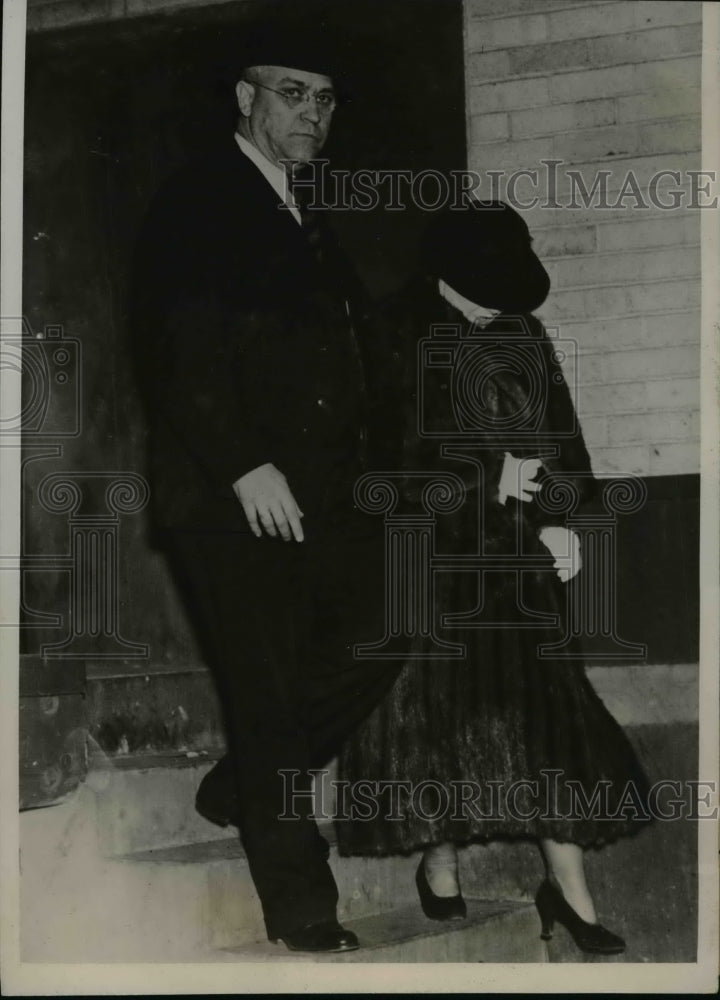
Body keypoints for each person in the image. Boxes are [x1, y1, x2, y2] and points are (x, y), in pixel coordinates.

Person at [130, 31, 401, 954]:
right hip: (229, 495)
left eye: (326, 99)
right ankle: (301, 906)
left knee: (385, 630)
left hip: (321, 497)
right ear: (246, 100)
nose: (313, 116)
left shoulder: (306, 208)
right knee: (270, 690)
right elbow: (178, 350)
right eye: (293, 94)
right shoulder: (198, 201)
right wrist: (244, 464)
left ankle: (241, 784)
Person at [335, 200, 651, 956]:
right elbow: (375, 462)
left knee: (547, 718)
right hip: (430, 561)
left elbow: (561, 438)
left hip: (518, 560)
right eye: (485, 292)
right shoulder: (388, 329)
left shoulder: (520, 327)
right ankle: (437, 862)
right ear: (444, 276)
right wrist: (483, 474)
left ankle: (570, 895)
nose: (499, 308)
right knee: (437, 720)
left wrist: (564, 521)